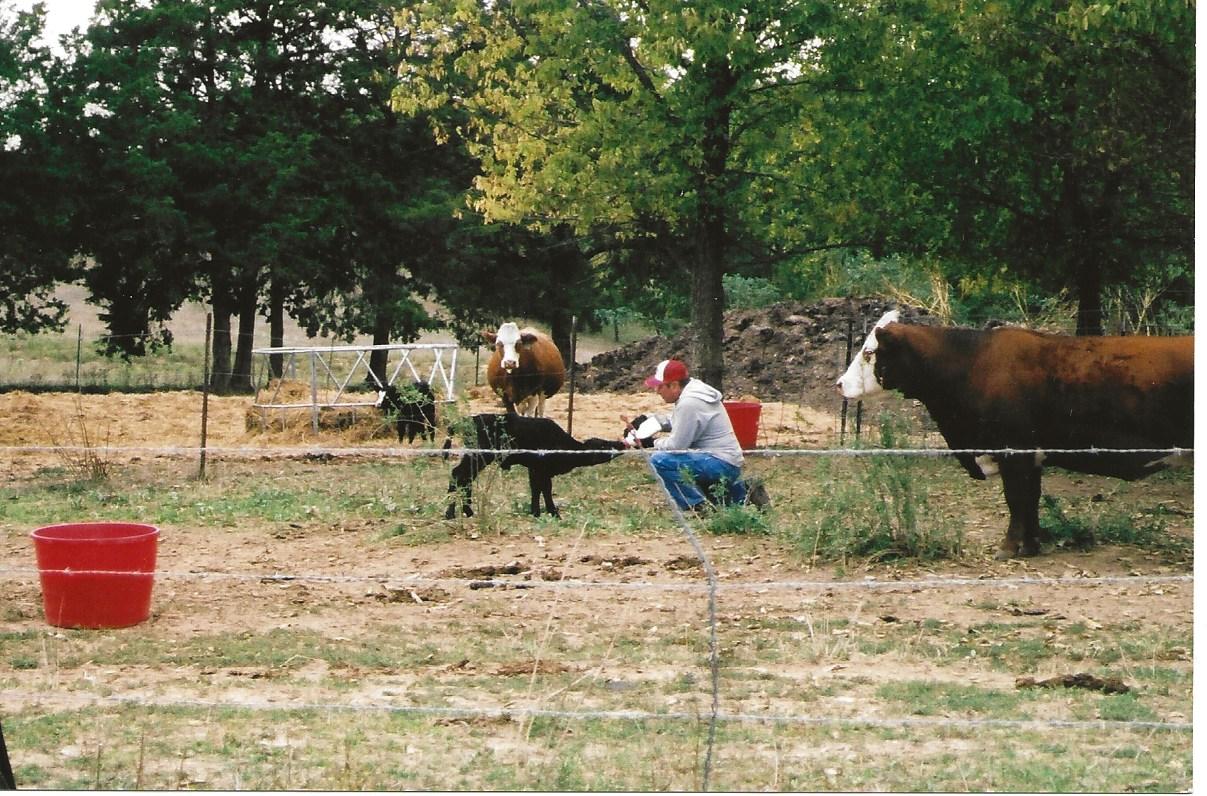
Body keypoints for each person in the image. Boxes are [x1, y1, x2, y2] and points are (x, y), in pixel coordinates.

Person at [624, 359, 768, 514]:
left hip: (719, 462)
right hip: (724, 460)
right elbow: (682, 421)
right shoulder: (694, 391)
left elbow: (677, 446)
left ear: (674, 385)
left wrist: (651, 442)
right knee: (717, 497)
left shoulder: (689, 403)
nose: (657, 391)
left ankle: (698, 507)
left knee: (661, 460)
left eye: (660, 386)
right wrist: (651, 419)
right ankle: (744, 491)